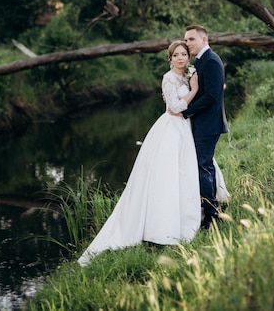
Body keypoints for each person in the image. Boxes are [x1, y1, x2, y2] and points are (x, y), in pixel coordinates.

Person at [77, 41, 202, 266]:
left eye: (184, 54)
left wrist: (192, 87)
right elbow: (174, 107)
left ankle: (187, 218)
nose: (181, 58)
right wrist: (193, 91)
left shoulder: (188, 75)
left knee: (184, 174)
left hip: (186, 128)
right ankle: (161, 228)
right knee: (167, 177)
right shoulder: (169, 78)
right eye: (176, 55)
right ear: (170, 58)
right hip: (172, 128)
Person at [171, 25, 229, 229]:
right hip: (202, 123)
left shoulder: (211, 61)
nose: (188, 43)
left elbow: (211, 96)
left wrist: (186, 110)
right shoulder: (201, 60)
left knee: (203, 167)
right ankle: (211, 208)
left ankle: (211, 215)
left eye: (191, 40)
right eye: (186, 40)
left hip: (208, 124)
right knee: (205, 166)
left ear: (204, 39)